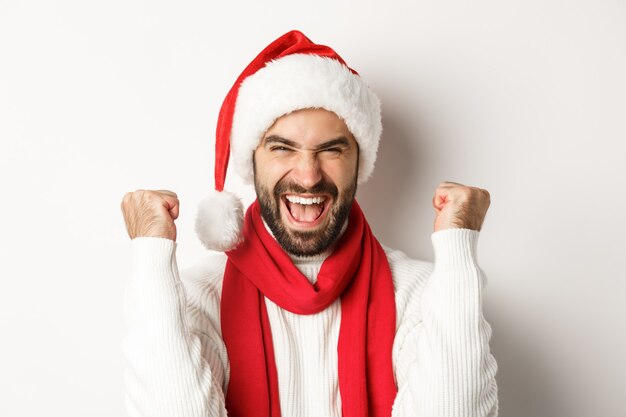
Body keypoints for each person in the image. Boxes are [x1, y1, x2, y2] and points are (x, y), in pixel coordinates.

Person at [120, 30, 498, 417]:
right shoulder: (196, 297)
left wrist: (457, 250)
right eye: (283, 148)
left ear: (359, 163)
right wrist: (152, 258)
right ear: (252, 161)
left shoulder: (423, 294)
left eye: (331, 150)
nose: (307, 175)